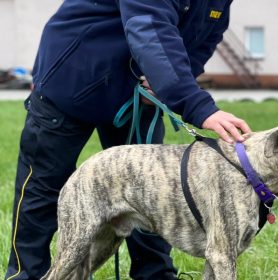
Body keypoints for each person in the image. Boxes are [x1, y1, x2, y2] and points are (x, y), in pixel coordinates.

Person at [5, 0, 251, 279]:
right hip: (71, 81)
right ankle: (25, 275)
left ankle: (155, 274)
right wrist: (197, 105)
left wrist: (169, 81)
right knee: (42, 189)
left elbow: (206, 35)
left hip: (137, 94)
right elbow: (149, 26)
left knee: (150, 187)